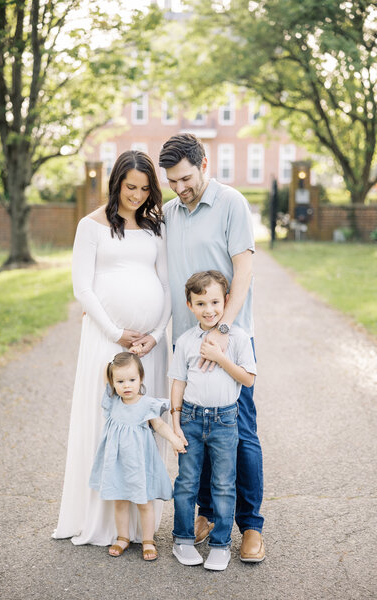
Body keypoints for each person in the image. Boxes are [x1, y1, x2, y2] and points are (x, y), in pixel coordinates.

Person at [53, 150, 171, 546]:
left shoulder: (156, 228)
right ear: (116, 183)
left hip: (149, 347)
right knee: (106, 423)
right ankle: (102, 519)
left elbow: (167, 285)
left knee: (143, 425)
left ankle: (141, 525)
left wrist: (154, 333)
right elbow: (82, 287)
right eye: (129, 187)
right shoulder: (91, 226)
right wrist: (117, 332)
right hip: (107, 341)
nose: (136, 195)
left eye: (143, 188)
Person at [159, 133, 265, 563]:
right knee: (196, 434)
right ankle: (204, 514)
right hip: (185, 343)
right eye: (172, 182)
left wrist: (222, 328)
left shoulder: (231, 203)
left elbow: (244, 270)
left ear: (204, 163)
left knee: (238, 433)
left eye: (186, 178)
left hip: (228, 339)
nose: (180, 188)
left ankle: (251, 527)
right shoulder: (168, 212)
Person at [170, 271, 256, 571]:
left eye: (215, 301)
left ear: (226, 301)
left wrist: (220, 358)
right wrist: (175, 423)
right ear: (190, 305)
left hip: (225, 421)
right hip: (191, 418)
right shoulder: (185, 341)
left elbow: (247, 379)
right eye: (201, 303)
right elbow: (178, 382)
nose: (209, 309)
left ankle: (220, 545)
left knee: (223, 484)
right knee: (186, 482)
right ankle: (181, 539)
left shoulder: (239, 338)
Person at [89, 352, 186, 560]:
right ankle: (123, 537)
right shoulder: (113, 402)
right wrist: (111, 370)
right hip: (117, 464)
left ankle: (148, 540)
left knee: (144, 503)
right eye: (120, 381)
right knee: (120, 501)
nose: (127, 385)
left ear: (141, 378)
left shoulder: (146, 404)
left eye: (132, 380)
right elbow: (105, 375)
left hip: (140, 464)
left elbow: (159, 425)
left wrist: (174, 440)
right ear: (113, 382)